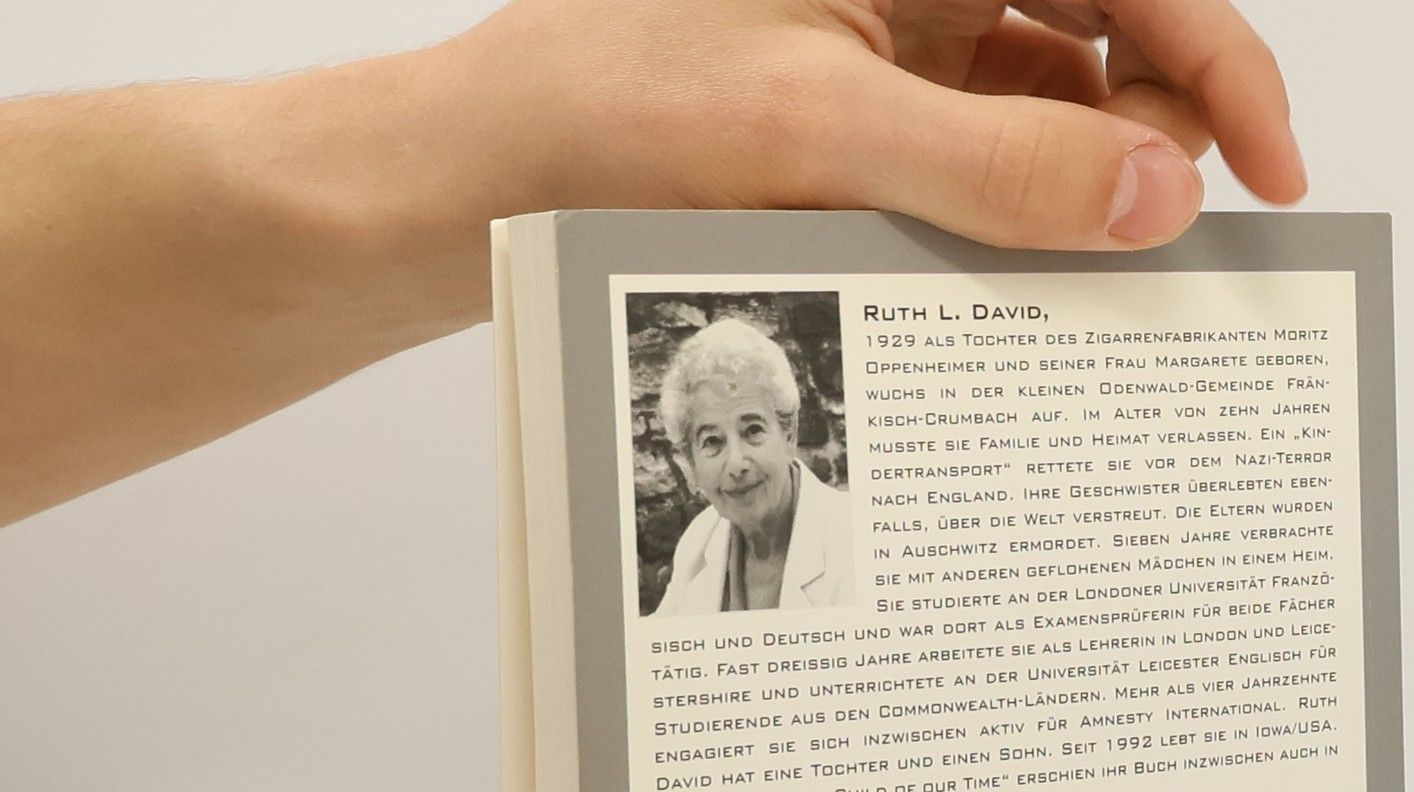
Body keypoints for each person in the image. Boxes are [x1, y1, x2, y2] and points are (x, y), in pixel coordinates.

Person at [0, 0, 1307, 528]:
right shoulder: (689, 567)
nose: (731, 460)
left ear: (801, 432)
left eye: (752, 430)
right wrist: (466, 152)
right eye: (709, 440)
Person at [650, 317, 856, 617]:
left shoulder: (855, 540)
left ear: (789, 433)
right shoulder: (698, 541)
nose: (736, 464)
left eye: (753, 431)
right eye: (712, 441)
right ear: (691, 461)